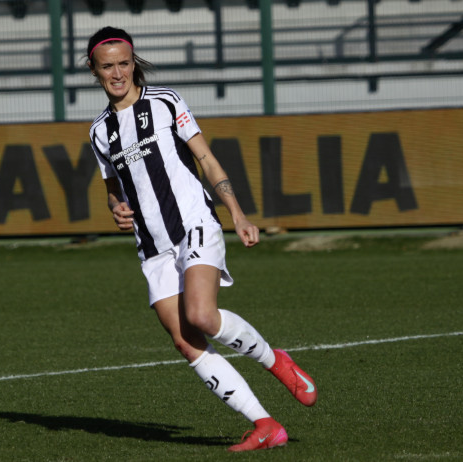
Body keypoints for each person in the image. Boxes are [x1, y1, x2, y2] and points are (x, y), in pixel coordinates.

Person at [86, 26, 317, 452]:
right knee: (185, 340)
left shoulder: (165, 101)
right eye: (107, 67)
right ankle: (265, 425)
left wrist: (237, 213)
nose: (117, 73)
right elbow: (113, 187)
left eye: (124, 64)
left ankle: (276, 361)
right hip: (152, 246)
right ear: (94, 70)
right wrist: (115, 206)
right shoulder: (100, 131)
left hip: (193, 222)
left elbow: (206, 159)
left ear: (133, 63)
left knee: (202, 316)